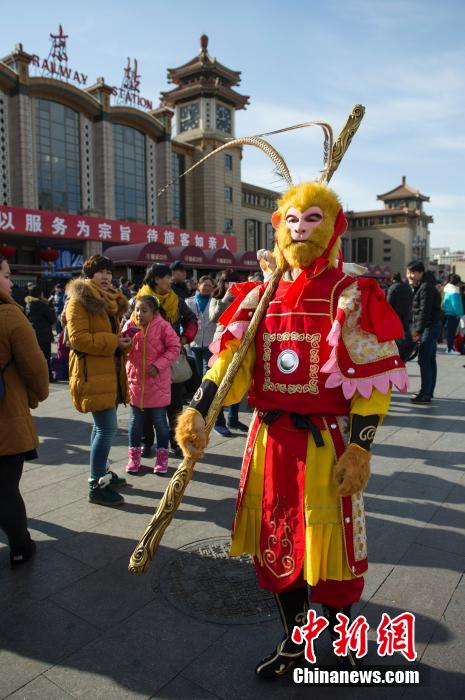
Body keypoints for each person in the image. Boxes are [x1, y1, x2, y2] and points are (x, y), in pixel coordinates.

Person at [176, 180, 407, 676]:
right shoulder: (260, 295)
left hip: (327, 445)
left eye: (313, 218)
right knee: (277, 546)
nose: (301, 226)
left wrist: (361, 449)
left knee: (334, 552)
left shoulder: (350, 294)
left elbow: (371, 382)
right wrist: (198, 406)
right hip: (269, 442)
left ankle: (343, 643)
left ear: (334, 227)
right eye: (292, 218)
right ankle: (294, 643)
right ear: (279, 227)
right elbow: (229, 366)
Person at [65, 255, 131, 506]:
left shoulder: (110, 300)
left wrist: (122, 342)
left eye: (109, 272)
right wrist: (115, 342)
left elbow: (107, 336)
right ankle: (96, 484)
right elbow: (78, 339)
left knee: (101, 427)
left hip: (110, 371)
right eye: (100, 272)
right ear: (89, 274)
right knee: (106, 428)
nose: (106, 277)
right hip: (93, 372)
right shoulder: (79, 301)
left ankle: (102, 472)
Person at [0, 255, 49, 566]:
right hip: (6, 416)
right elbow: (36, 369)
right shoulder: (9, 316)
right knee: (5, 488)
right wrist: (35, 396)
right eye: (6, 275)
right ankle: (20, 545)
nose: (10, 281)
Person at [138, 264, 198, 458]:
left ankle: (176, 442)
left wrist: (184, 338)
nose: (170, 280)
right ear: (156, 278)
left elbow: (191, 320)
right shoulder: (141, 300)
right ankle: (147, 443)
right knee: (147, 405)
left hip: (172, 360)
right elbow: (130, 324)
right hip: (148, 362)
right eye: (166, 277)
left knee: (175, 405)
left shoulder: (176, 300)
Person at [122, 296, 180, 474]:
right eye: (137, 309)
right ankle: (134, 459)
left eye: (144, 310)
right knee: (134, 424)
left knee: (160, 423)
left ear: (154, 312)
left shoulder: (163, 326)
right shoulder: (130, 325)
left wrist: (158, 365)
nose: (139, 314)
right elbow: (122, 347)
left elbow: (175, 348)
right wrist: (125, 342)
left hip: (158, 385)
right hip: (135, 384)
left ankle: (162, 460)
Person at [209, 270, 249, 433]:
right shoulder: (217, 298)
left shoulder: (244, 296)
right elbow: (213, 317)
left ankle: (233, 419)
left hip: (239, 341)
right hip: (222, 342)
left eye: (233, 282)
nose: (230, 285)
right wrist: (226, 299)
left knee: (236, 380)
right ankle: (218, 422)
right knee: (219, 381)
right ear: (221, 283)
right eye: (227, 282)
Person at [406, 260, 442, 404]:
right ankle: (428, 391)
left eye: (413, 272)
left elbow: (424, 312)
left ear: (421, 273)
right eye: (408, 272)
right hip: (432, 326)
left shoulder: (426, 287)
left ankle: (425, 393)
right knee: (430, 360)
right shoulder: (426, 285)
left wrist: (418, 332)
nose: (410, 275)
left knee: (424, 360)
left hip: (429, 326)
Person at [25, 285, 56, 382]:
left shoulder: (28, 304)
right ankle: (48, 377)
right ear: (40, 294)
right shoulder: (42, 305)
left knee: (35, 358)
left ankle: (36, 378)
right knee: (46, 357)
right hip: (44, 335)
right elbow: (52, 319)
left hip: (33, 334)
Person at [387, 272, 414, 361]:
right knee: (406, 333)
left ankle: (398, 353)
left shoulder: (393, 288)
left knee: (396, 337)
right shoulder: (407, 287)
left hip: (395, 316)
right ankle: (405, 353)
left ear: (393, 279)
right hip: (406, 315)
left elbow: (388, 303)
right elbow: (411, 300)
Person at [442, 273, 463, 354]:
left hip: (449, 313)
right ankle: (450, 349)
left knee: (450, 332)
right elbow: (456, 304)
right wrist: (459, 313)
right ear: (456, 282)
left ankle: (450, 348)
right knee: (452, 332)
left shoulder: (447, 290)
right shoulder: (454, 291)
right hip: (454, 314)